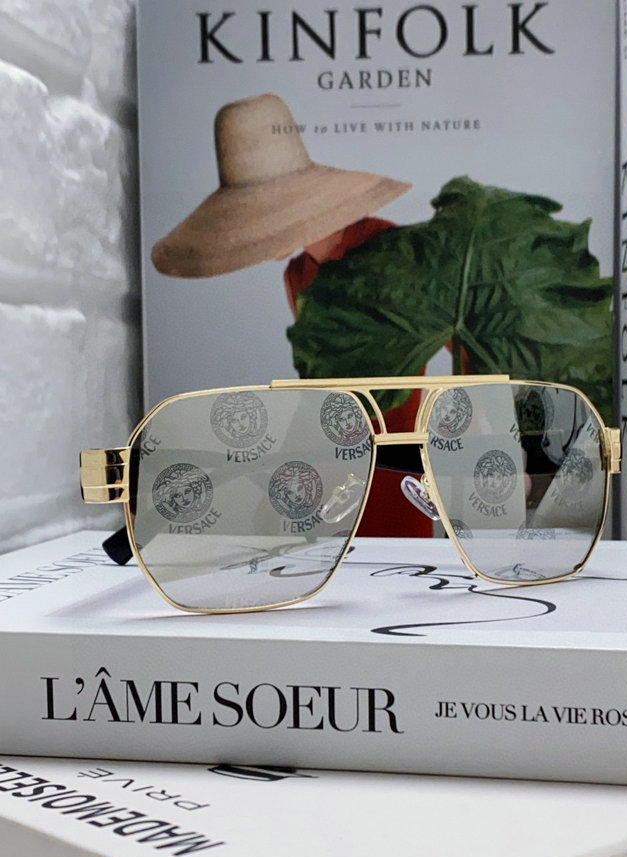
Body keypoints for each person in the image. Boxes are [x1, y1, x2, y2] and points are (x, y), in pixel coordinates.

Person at [151, 93, 431, 536]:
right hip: (328, 462)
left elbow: (461, 342)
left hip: (397, 464)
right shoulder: (298, 274)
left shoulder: (392, 251)